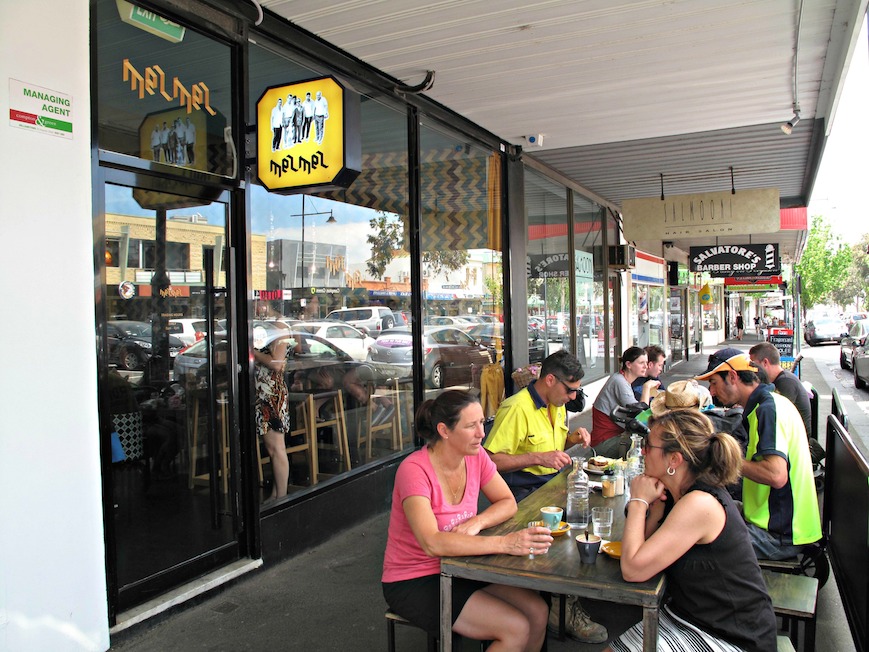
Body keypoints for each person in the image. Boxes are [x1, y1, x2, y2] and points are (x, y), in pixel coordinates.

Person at [382, 390, 550, 650]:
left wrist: (478, 522)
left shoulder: (476, 456)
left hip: (463, 565)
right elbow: (432, 543)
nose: (481, 433)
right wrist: (505, 544)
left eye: (482, 422)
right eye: (471, 426)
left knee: (538, 612)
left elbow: (508, 502)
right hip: (415, 578)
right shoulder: (414, 470)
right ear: (444, 430)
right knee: (516, 628)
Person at [611, 403, 777, 652]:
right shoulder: (679, 492)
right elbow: (641, 551)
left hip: (732, 636)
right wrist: (655, 511)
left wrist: (638, 501)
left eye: (648, 445)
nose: (643, 451)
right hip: (691, 616)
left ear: (674, 459)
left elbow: (633, 569)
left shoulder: (700, 503)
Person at [483, 350, 606, 644]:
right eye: (570, 390)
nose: (573, 397)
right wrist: (538, 457)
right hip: (522, 492)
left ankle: (563, 600)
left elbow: (553, 446)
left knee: (592, 512)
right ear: (550, 380)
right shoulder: (516, 408)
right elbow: (490, 461)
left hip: (550, 485)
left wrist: (571, 439)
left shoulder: (557, 403)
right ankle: (561, 608)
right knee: (571, 536)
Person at [695, 348, 822, 560]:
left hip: (780, 534)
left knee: (692, 545)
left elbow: (776, 475)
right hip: (770, 521)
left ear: (733, 377)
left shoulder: (768, 409)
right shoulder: (766, 404)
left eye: (714, 383)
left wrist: (725, 457)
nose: (713, 392)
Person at [591, 346, 659, 458]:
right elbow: (641, 416)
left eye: (646, 363)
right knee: (649, 443)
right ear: (628, 364)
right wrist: (646, 388)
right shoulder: (619, 381)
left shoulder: (621, 378)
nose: (646, 366)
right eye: (641, 363)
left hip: (615, 437)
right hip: (604, 443)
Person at [253, 332, 293, 501]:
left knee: (276, 448)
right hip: (265, 392)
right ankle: (276, 494)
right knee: (272, 448)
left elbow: (277, 363)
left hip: (270, 393)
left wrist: (252, 352)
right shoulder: (273, 327)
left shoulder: (279, 326)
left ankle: (281, 498)